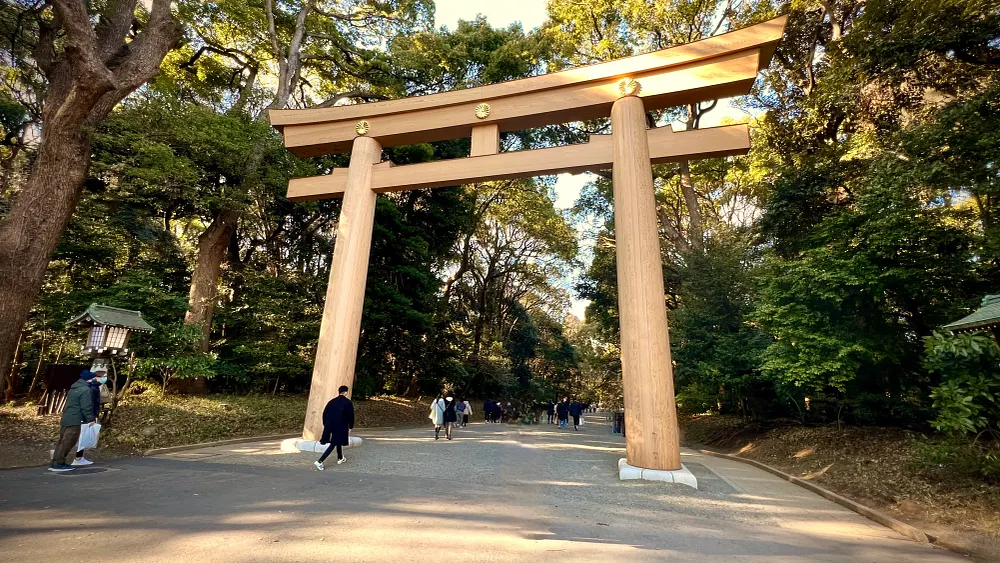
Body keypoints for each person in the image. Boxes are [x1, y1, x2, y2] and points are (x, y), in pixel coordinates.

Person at [50, 370, 99, 472]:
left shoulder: (74, 388)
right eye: (93, 378)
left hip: (67, 417)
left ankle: (56, 461)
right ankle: (59, 463)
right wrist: (90, 419)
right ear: (89, 379)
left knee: (62, 441)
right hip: (76, 419)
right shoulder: (86, 390)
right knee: (69, 441)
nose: (95, 379)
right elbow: (86, 406)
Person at [315, 385, 355, 470]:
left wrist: (326, 424)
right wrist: (350, 426)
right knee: (334, 443)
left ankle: (340, 457)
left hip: (330, 425)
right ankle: (320, 461)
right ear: (346, 392)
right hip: (341, 425)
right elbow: (350, 416)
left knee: (337, 440)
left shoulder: (331, 402)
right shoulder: (347, 403)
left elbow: (325, 413)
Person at [73, 370, 106, 466]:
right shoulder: (92, 388)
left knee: (83, 436)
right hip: (87, 415)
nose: (104, 379)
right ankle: (78, 458)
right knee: (83, 436)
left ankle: (78, 457)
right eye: (103, 377)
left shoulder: (92, 386)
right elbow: (90, 404)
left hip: (86, 415)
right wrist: (92, 416)